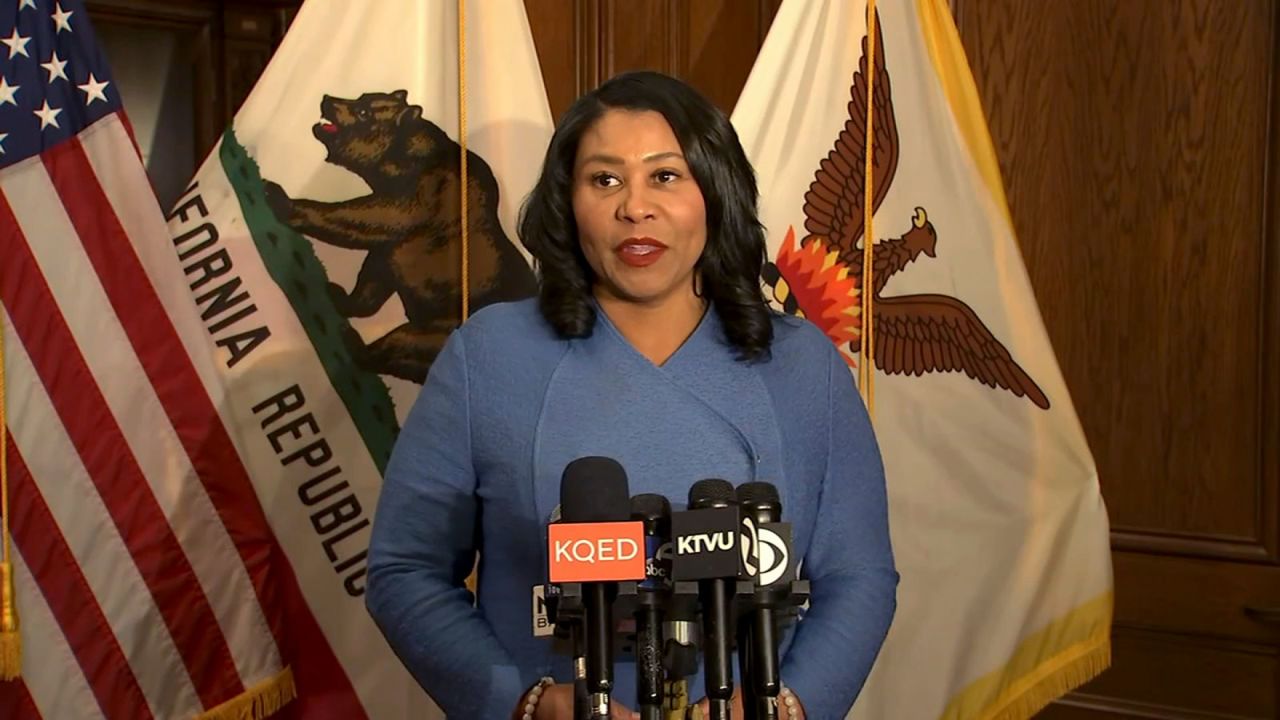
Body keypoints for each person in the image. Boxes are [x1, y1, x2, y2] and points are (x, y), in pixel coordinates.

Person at [365, 70, 897, 719]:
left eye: (665, 176)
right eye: (604, 179)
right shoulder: (490, 358)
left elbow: (859, 578)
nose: (634, 207)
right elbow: (405, 571)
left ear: (714, 190)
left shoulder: (802, 365)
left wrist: (787, 707)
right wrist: (525, 704)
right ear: (568, 202)